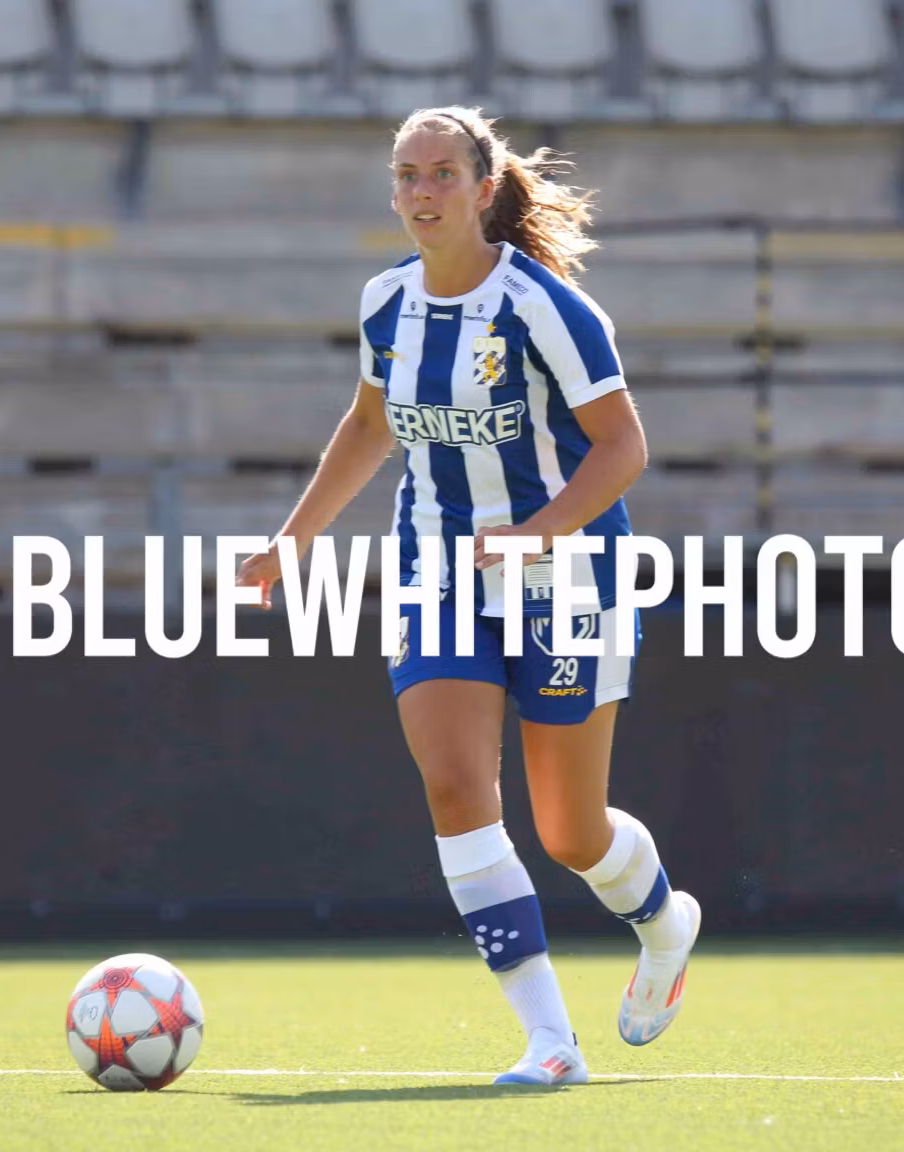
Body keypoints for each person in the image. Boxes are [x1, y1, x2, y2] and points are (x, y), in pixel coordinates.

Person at [236, 106, 699, 1087]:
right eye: (405, 175)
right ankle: (549, 1040)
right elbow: (368, 427)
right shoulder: (384, 304)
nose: (418, 193)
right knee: (454, 787)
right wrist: (292, 539)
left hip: (564, 574)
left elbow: (623, 447)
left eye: (440, 174)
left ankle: (664, 921)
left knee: (570, 831)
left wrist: (539, 532)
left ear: (482, 188)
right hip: (435, 573)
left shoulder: (545, 309)